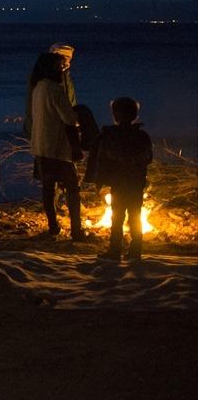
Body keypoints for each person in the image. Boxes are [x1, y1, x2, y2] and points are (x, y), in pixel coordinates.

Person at [28, 51, 86, 240]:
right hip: (57, 148)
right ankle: (76, 231)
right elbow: (68, 119)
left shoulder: (38, 87)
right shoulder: (54, 89)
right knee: (72, 189)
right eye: (60, 67)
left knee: (48, 188)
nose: (63, 70)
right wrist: (80, 121)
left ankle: (53, 227)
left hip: (41, 145)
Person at [94, 97, 153, 262]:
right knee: (135, 215)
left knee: (117, 217)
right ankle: (135, 251)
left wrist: (100, 181)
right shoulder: (143, 136)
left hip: (119, 184)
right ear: (135, 115)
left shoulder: (110, 136)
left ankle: (115, 251)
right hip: (136, 184)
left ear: (116, 115)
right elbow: (148, 158)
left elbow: (103, 159)